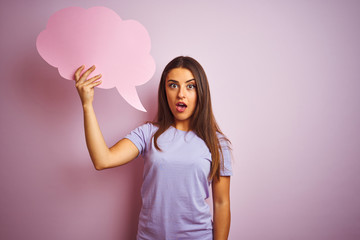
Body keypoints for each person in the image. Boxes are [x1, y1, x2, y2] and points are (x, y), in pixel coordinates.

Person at [74, 56, 232, 240]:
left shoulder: (216, 143)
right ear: (164, 91)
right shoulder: (148, 133)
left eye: (190, 86)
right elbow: (102, 160)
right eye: (173, 85)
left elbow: (221, 203)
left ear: (201, 92)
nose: (181, 94)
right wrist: (87, 105)